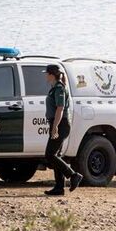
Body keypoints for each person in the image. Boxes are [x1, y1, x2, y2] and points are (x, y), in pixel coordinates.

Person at [43, 64, 82, 196]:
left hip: (61, 124)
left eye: (46, 73)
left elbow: (60, 109)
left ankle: (73, 175)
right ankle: (59, 187)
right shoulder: (54, 88)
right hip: (58, 123)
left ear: (51, 75)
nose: (45, 75)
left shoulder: (59, 88)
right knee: (56, 155)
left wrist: (55, 127)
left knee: (50, 154)